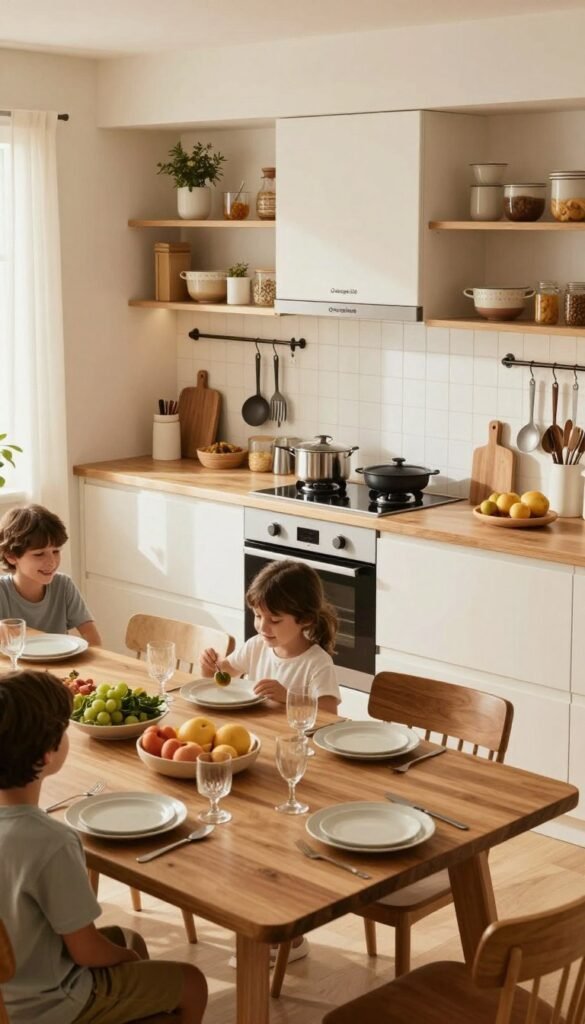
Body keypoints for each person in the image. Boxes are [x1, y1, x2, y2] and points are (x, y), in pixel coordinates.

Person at [0, 669, 208, 1024]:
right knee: (192, 983)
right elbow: (86, 950)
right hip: (52, 1003)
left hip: (11, 993)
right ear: (48, 753)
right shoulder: (50, 842)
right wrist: (125, 962)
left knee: (130, 939)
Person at [201, 559, 341, 713]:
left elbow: (330, 714)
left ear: (306, 619)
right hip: (260, 731)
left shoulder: (318, 663)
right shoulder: (256, 646)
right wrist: (209, 665)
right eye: (258, 616)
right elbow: (220, 677)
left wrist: (288, 697)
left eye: (275, 620)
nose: (262, 627)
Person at [0, 504, 101, 645]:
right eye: (39, 554)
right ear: (11, 556)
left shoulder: (63, 585)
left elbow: (92, 637)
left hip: (60, 666)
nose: (52, 562)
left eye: (56, 551)